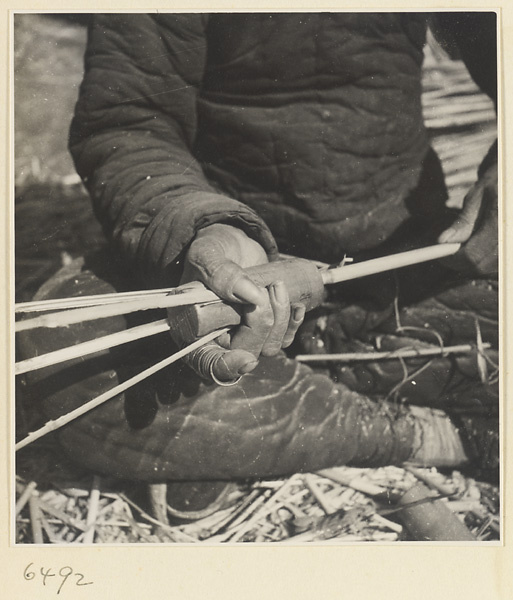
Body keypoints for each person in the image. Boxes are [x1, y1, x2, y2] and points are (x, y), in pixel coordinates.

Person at [18, 12, 498, 518]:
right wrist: (208, 228)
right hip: (227, 278)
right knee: (65, 347)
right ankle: (420, 430)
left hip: (403, 259)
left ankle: (256, 428)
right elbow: (129, 123)